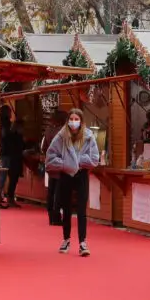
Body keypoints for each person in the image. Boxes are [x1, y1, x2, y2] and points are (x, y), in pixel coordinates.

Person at [45, 108, 100, 257]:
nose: (74, 122)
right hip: (65, 175)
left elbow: (94, 158)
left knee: (82, 209)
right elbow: (50, 158)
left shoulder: (89, 137)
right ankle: (66, 239)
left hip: (81, 174)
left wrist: (76, 162)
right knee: (66, 209)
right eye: (72, 119)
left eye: (77, 119)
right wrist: (66, 164)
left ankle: (83, 242)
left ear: (81, 121)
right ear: (68, 120)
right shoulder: (61, 137)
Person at [41, 109, 67, 226]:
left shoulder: (48, 130)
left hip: (50, 163)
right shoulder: (64, 132)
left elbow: (43, 147)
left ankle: (50, 215)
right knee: (59, 192)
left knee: (51, 191)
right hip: (61, 164)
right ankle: (57, 216)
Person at [2, 119, 26, 208]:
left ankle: (10, 197)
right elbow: (20, 147)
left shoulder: (10, 135)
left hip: (13, 159)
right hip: (14, 160)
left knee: (13, 180)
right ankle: (10, 198)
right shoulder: (16, 136)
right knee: (13, 180)